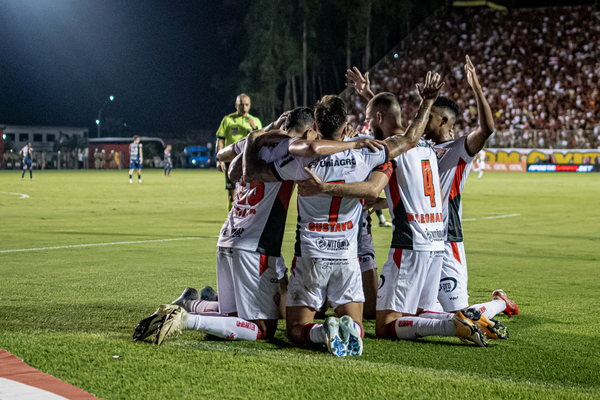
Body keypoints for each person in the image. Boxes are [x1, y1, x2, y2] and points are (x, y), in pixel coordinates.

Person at [300, 73, 490, 346]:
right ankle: (458, 317)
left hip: (410, 244)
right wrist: (371, 96)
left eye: (369, 117)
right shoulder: (426, 146)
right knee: (419, 313)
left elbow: (373, 180)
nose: (365, 124)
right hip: (437, 245)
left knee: (385, 325)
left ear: (377, 119)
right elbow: (393, 124)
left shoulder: (392, 149)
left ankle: (451, 323)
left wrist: (327, 187)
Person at [133, 107, 315, 345]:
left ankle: (188, 303)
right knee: (262, 329)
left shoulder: (257, 142)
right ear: (309, 130)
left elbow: (222, 155)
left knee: (231, 317)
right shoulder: (292, 150)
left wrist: (264, 131)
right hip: (254, 246)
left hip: (228, 237)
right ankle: (186, 318)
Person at [215, 94, 263, 211]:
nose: (244, 107)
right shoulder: (227, 120)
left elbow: (261, 141)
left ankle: (245, 220)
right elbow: (219, 139)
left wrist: (254, 128)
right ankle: (231, 222)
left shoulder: (255, 121)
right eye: (241, 105)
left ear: (249, 105)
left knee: (249, 193)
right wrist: (219, 159)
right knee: (232, 196)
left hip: (248, 161)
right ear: (236, 105)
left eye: (246, 105)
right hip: (231, 160)